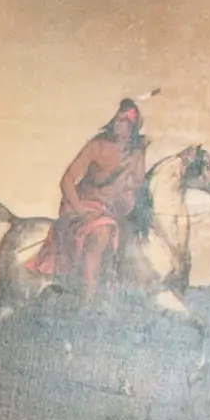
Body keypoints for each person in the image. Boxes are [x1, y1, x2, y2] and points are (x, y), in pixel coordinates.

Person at [40, 99, 151, 299]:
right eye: (117, 119)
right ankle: (87, 300)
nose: (118, 124)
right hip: (84, 204)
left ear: (133, 128)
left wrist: (140, 155)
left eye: (125, 122)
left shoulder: (135, 152)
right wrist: (80, 212)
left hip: (114, 209)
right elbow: (67, 181)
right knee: (102, 232)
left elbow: (137, 182)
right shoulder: (97, 146)